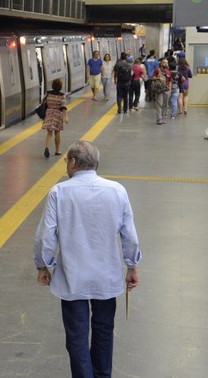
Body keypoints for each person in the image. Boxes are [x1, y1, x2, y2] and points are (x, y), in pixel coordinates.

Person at [33, 140, 141, 378]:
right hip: (106, 277)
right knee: (104, 331)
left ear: (72, 162)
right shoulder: (117, 190)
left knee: (76, 336)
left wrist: (44, 265)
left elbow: (45, 236)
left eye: (66, 161)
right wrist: (132, 266)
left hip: (73, 277)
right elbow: (129, 235)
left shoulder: (59, 192)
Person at [41, 78, 69, 158]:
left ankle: (47, 147)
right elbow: (63, 107)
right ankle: (57, 150)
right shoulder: (62, 95)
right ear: (60, 86)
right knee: (57, 132)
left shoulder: (48, 94)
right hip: (57, 114)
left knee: (49, 133)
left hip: (49, 113)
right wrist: (66, 117)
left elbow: (44, 102)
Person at [152, 58, 172, 125]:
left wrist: (170, 88)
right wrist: (158, 78)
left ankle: (163, 118)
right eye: (164, 63)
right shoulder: (157, 70)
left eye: (167, 63)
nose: (166, 64)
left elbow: (170, 81)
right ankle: (159, 119)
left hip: (166, 90)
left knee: (165, 105)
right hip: (159, 90)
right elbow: (153, 78)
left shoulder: (168, 72)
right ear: (161, 63)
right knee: (159, 104)